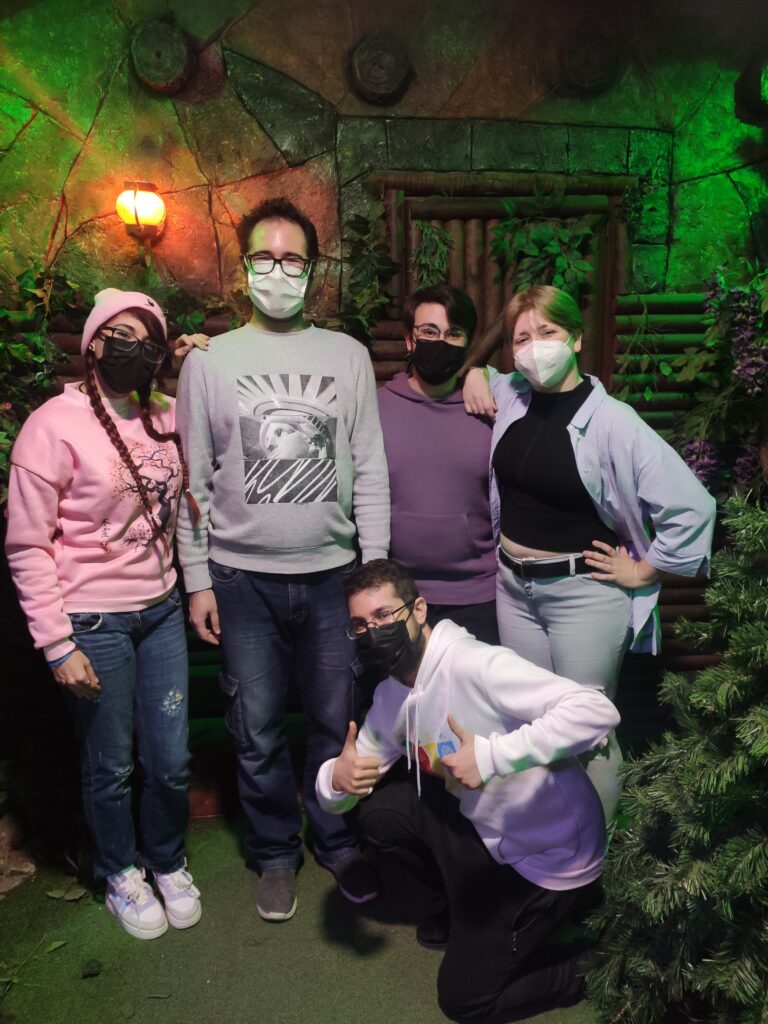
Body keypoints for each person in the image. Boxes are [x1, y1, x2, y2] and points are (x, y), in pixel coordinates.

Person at [175, 197, 390, 921]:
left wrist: (374, 571)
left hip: (334, 577)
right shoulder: (211, 360)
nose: (278, 270)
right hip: (241, 581)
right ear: (243, 269)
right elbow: (192, 479)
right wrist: (198, 578)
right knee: (256, 726)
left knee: (335, 718)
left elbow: (369, 466)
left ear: (313, 269)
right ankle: (274, 850)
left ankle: (337, 838)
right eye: (263, 258)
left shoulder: (347, 356)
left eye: (292, 258)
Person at [316, 559, 620, 1023]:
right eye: (361, 624)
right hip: (491, 829)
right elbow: (344, 789)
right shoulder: (392, 695)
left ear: (419, 610)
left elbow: (595, 711)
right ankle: (455, 906)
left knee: (466, 1001)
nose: (373, 631)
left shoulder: (477, 664)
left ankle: (594, 967)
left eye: (384, 615)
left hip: (551, 853)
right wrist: (335, 779)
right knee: (384, 810)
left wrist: (493, 756)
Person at [462, 284, 717, 820]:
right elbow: (485, 373)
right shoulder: (513, 394)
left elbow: (693, 508)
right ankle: (550, 842)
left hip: (583, 595)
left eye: (548, 332)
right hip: (514, 589)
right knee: (533, 724)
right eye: (521, 338)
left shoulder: (613, 420)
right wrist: (474, 373)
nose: (535, 347)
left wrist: (645, 570)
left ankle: (597, 856)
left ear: (576, 338)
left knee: (587, 732)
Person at [5, 289, 204, 940]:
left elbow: (198, 487)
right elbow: (28, 544)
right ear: (92, 344)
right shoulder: (52, 426)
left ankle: (166, 860)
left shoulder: (167, 415)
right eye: (119, 336)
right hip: (94, 621)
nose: (132, 349)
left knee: (170, 759)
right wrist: (57, 645)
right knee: (110, 764)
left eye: (148, 341)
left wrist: (204, 358)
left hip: (161, 610)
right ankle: (121, 872)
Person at [377, 285, 499, 645]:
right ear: (409, 339)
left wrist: (480, 372)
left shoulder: (488, 408)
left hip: (478, 594)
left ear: (467, 342)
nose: (440, 342)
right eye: (429, 332)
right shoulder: (377, 408)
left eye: (453, 334)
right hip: (398, 595)